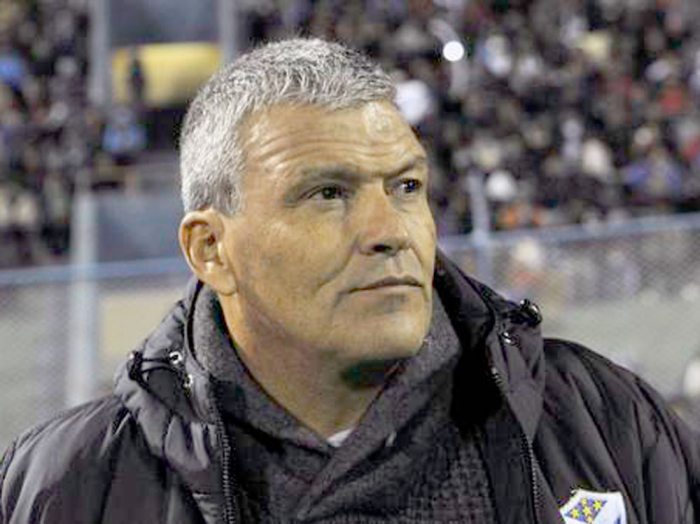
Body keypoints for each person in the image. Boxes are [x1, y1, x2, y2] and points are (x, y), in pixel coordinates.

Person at [1, 38, 699, 524]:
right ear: (211, 250)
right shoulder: (66, 488)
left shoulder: (608, 421)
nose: (389, 230)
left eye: (406, 186)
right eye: (327, 194)